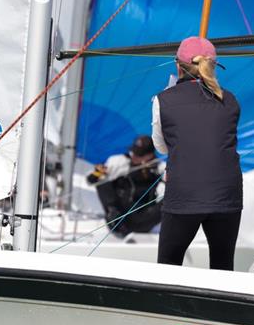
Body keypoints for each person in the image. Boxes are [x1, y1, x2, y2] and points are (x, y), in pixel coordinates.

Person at [152, 36, 242, 270]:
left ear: (177, 65)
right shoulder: (230, 99)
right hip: (227, 197)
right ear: (212, 65)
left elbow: (161, 146)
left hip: (184, 197)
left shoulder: (163, 99)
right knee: (223, 268)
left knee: (168, 267)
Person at [86, 134, 162, 238]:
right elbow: (92, 180)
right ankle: (114, 218)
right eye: (134, 151)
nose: (134, 155)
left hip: (145, 218)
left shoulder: (160, 168)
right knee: (103, 181)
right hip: (121, 218)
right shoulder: (120, 162)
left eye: (139, 154)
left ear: (150, 155)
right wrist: (95, 175)